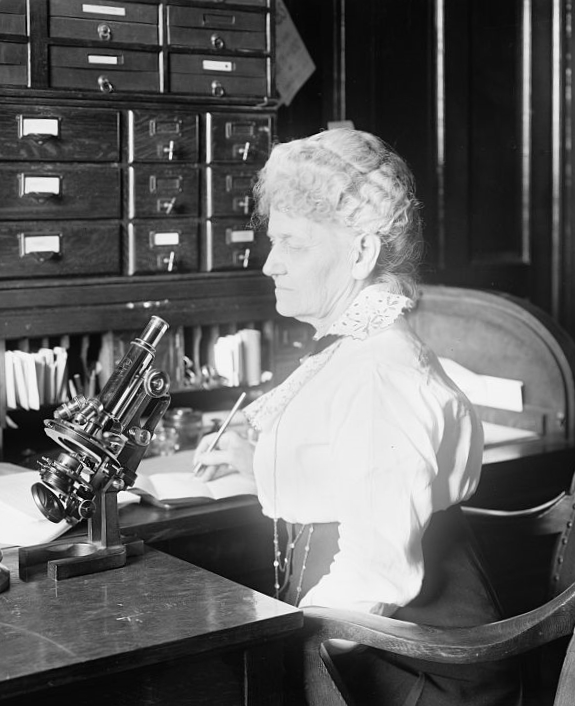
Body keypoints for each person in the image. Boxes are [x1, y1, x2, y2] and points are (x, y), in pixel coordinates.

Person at [193, 129, 520, 705]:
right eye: (273, 242)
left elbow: (378, 569)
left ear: (362, 252)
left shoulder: (378, 373)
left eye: (293, 244)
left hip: (419, 666)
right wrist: (257, 465)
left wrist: (281, 653)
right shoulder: (357, 348)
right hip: (374, 636)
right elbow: (357, 481)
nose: (270, 265)